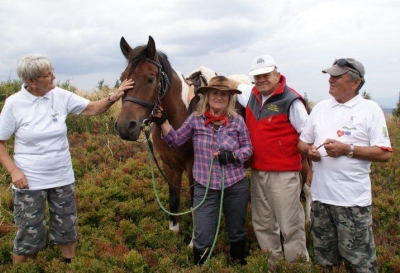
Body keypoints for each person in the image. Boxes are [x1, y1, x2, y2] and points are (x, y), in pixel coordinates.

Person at [0, 54, 134, 264]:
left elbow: (92, 108)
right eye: (48, 74)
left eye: (52, 70)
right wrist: (13, 171)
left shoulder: (60, 95)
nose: (54, 76)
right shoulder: (14, 104)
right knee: (29, 233)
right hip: (29, 181)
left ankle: (68, 265)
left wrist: (114, 96)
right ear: (31, 81)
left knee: (66, 228)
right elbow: (0, 142)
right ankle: (20, 268)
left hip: (62, 177)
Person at [298, 58, 392, 272]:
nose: (330, 80)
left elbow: (384, 154)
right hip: (321, 201)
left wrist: (347, 149)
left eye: (337, 76)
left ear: (355, 82)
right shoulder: (320, 108)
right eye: (330, 76)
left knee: (360, 264)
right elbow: (302, 142)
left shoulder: (370, 110)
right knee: (325, 262)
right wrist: (310, 150)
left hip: (353, 203)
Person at [152, 76, 253, 265]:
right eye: (214, 93)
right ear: (206, 96)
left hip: (234, 185)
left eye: (224, 94)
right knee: (202, 233)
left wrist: (233, 156)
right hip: (204, 186)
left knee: (237, 229)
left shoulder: (237, 121)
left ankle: (238, 263)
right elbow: (175, 140)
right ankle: (201, 266)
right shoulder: (195, 120)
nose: (219, 97)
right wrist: (163, 122)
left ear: (230, 98)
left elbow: (248, 149)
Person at [229, 55, 310, 264]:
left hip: (284, 174)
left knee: (290, 224)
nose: (261, 79)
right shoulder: (251, 94)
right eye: (257, 76)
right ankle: (272, 265)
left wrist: (308, 164)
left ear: (277, 74)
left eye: (266, 74)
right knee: (263, 223)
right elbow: (230, 83)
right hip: (258, 172)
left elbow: (308, 133)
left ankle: (297, 267)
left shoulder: (291, 100)